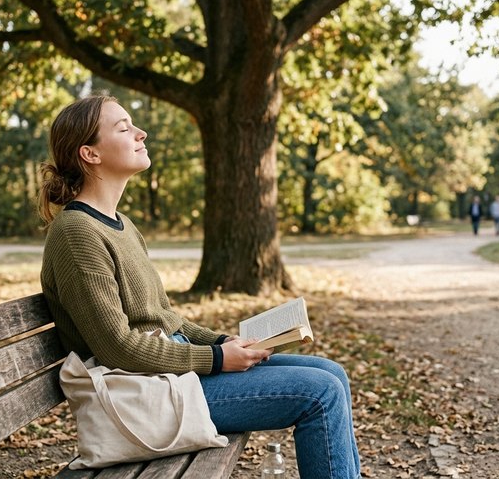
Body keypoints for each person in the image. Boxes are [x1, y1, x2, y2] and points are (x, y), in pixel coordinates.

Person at [38, 93, 361, 479]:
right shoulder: (77, 233)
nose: (141, 133)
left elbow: (164, 318)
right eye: (124, 129)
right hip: (148, 394)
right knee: (321, 393)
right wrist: (217, 359)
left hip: (173, 375)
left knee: (332, 373)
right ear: (90, 154)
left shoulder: (121, 225)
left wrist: (222, 342)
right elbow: (116, 347)